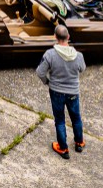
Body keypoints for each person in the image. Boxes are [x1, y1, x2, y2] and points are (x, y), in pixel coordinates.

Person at [36, 24, 86, 158]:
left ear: (55, 37)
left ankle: (63, 148)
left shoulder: (50, 54)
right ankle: (79, 142)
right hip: (73, 92)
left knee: (60, 120)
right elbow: (82, 69)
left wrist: (48, 82)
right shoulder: (78, 55)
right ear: (68, 37)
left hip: (56, 91)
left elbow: (40, 72)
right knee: (76, 118)